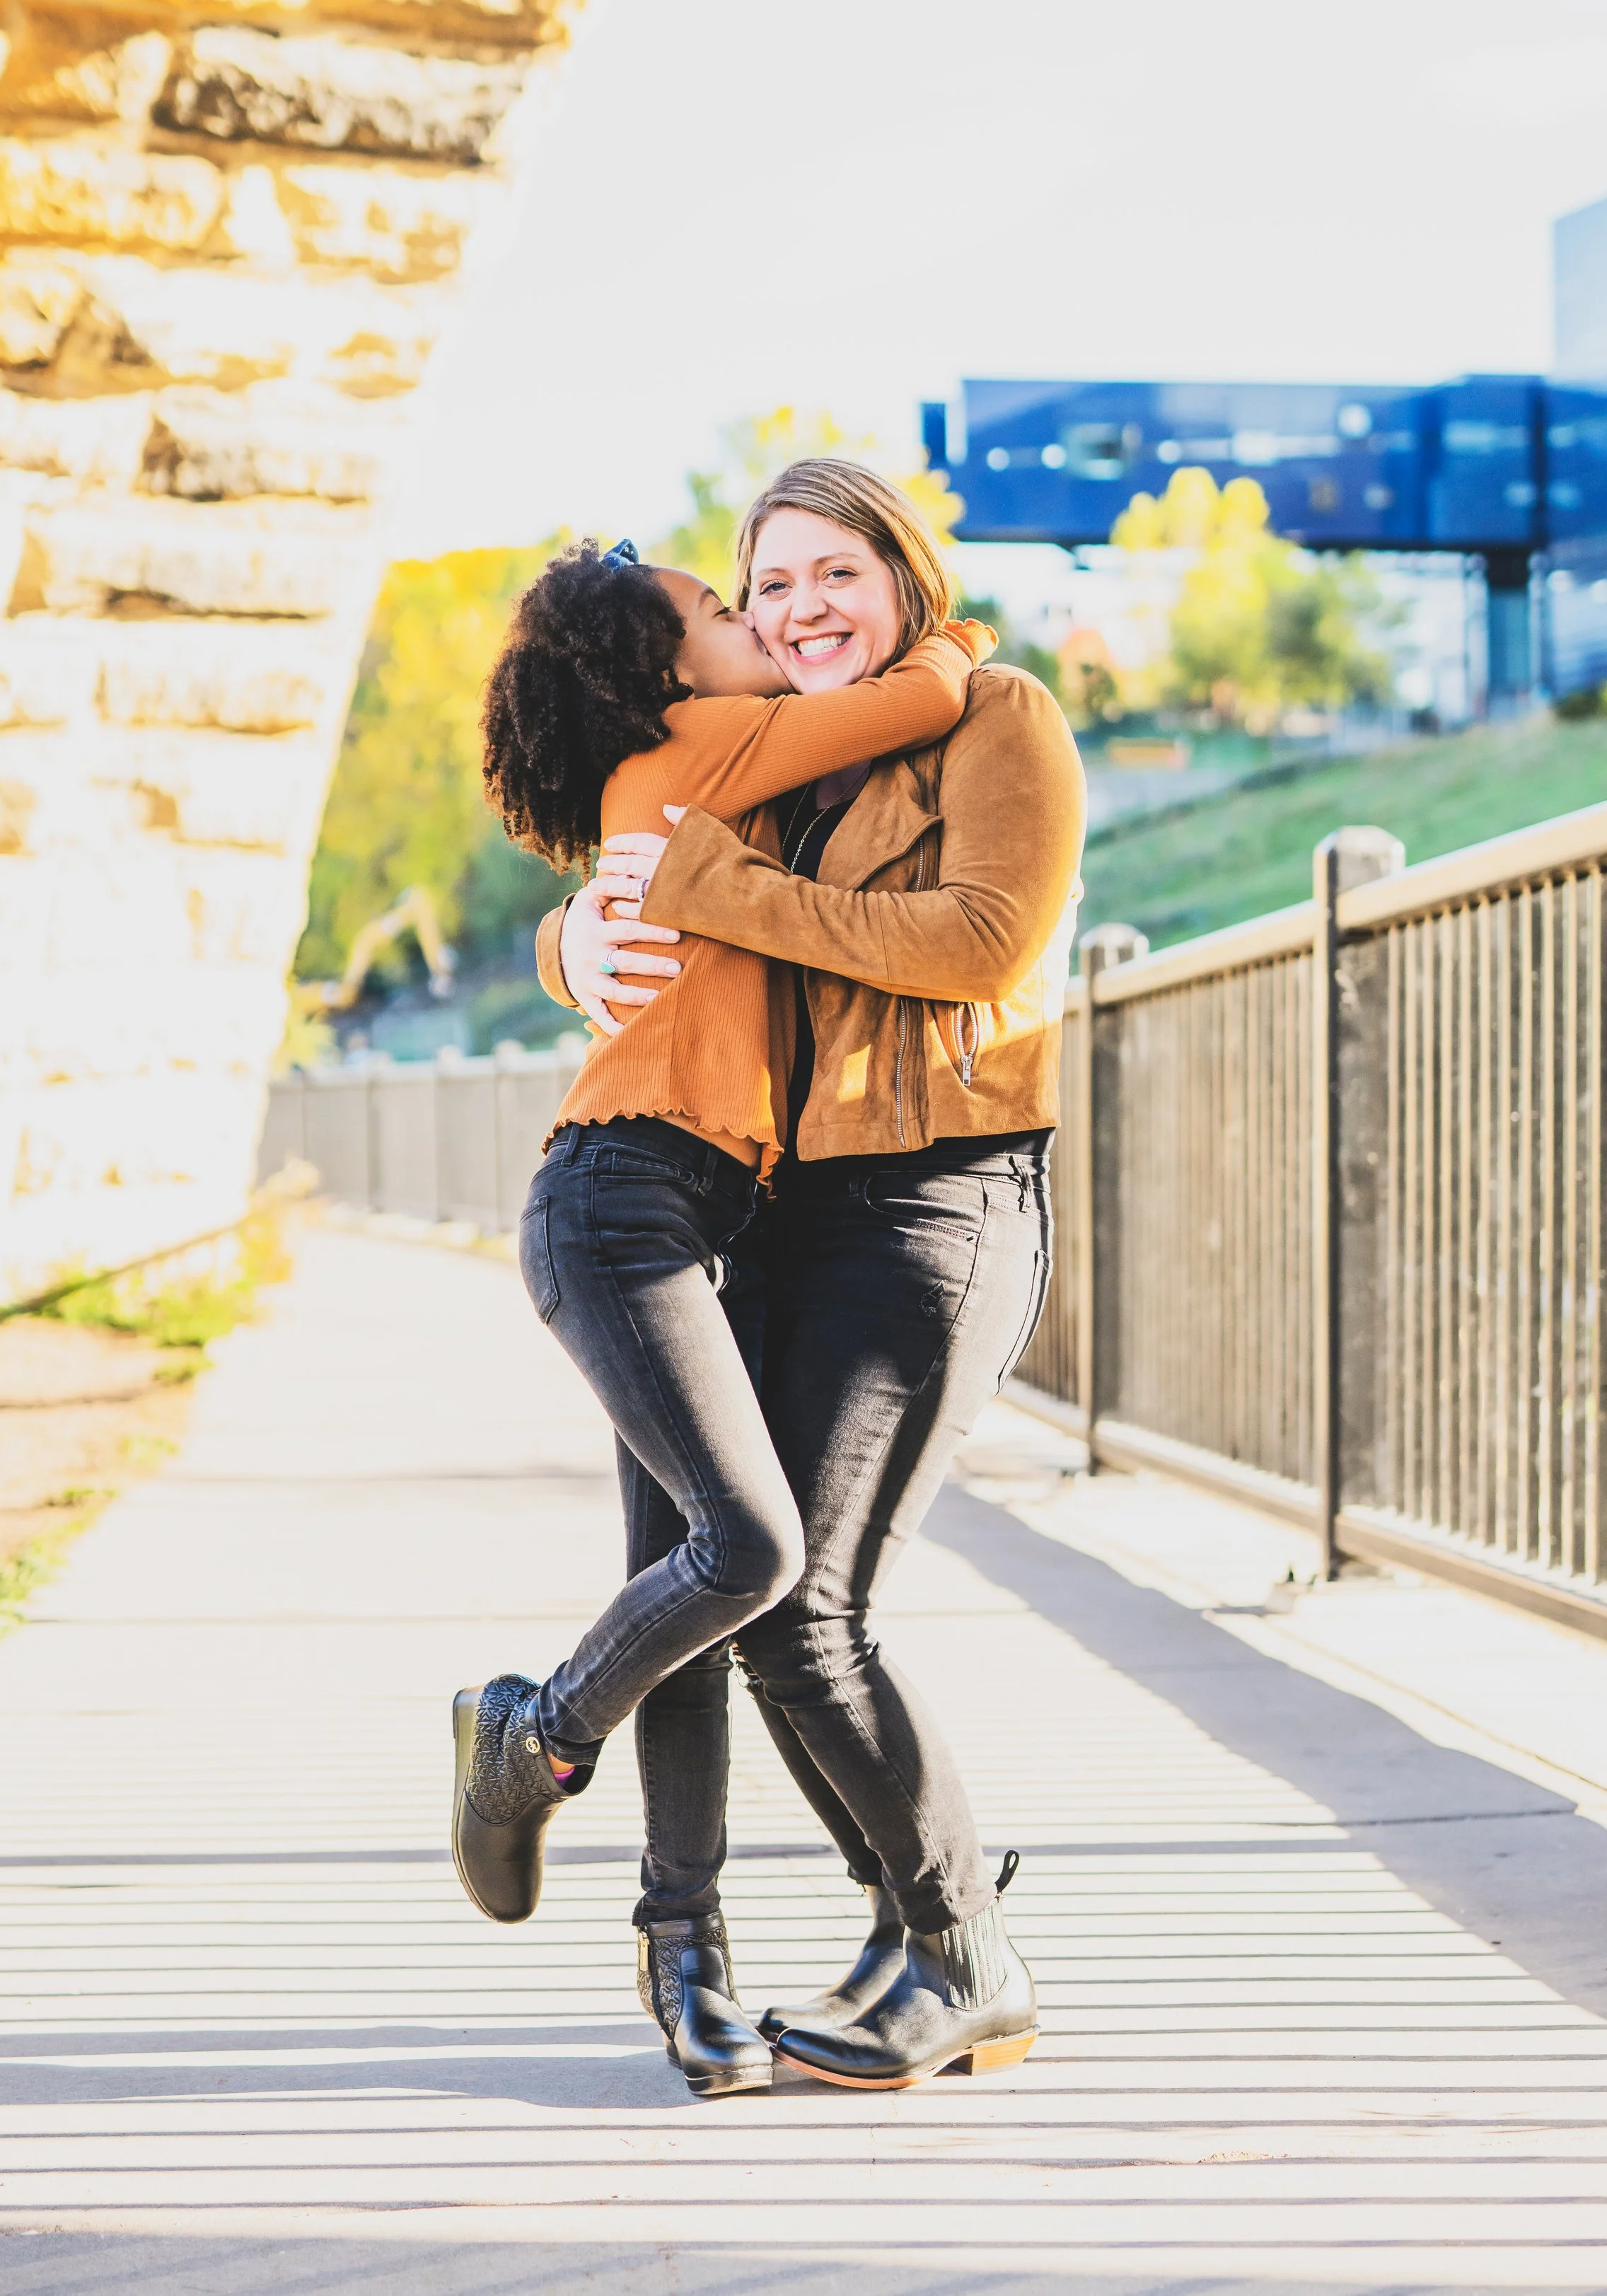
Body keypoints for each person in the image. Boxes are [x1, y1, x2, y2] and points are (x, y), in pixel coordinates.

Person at [545, 458, 1086, 2090]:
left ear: (901, 572)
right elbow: (647, 875)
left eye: (830, 573)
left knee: (802, 1600)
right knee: (750, 1587)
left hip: (936, 1200)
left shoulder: (998, 714)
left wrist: (726, 889)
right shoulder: (772, 749)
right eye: (765, 586)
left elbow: (984, 940)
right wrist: (574, 935)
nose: (797, 612)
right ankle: (865, 1924)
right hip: (759, 1208)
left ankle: (957, 1947)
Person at [457, 533, 994, 2097]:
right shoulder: (709, 741)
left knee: (688, 1575)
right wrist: (945, 639)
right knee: (748, 1556)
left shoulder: (701, 768)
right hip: (622, 1203)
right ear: (662, 670)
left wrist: (562, 940)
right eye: (722, 605)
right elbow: (932, 686)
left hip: (702, 1213)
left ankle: (682, 1956)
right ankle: (533, 1737)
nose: (756, 618)